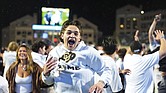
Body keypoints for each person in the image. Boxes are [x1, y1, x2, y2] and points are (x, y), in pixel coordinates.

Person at [42, 20, 112, 93]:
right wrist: (46, 74)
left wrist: (101, 83)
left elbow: (106, 70)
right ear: (62, 35)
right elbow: (49, 82)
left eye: (76, 34)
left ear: (79, 38)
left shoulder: (89, 52)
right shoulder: (54, 53)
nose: (72, 35)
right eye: (69, 33)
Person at [148, 13, 163, 93]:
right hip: (157, 72)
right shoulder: (154, 45)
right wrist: (155, 21)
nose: (158, 35)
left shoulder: (164, 45)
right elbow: (150, 33)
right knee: (158, 90)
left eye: (160, 34)